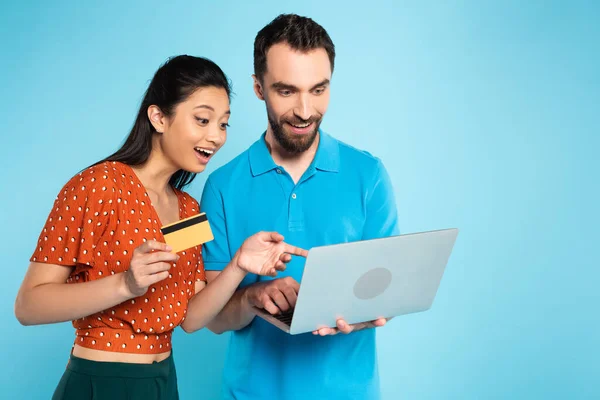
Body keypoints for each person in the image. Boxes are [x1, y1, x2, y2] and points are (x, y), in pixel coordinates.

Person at [14, 55, 307, 400]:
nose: (216, 137)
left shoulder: (189, 211)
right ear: (158, 118)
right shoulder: (96, 186)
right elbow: (29, 306)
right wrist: (125, 283)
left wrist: (239, 264)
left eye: (223, 124)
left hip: (164, 381)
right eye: (202, 120)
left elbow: (192, 318)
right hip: (102, 380)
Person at [200, 14, 400, 400]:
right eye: (287, 91)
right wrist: (252, 298)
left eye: (319, 89)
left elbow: (389, 290)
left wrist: (367, 314)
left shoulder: (368, 174)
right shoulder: (222, 186)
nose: (306, 111)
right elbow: (212, 318)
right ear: (259, 88)